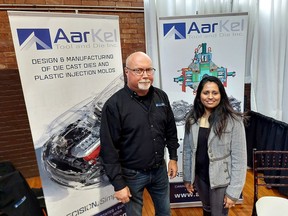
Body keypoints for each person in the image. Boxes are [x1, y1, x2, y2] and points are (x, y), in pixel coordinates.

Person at [99, 51, 179, 216]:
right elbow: (109, 148)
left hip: (159, 171)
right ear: (126, 72)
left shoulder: (161, 96)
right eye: (138, 70)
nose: (145, 76)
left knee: (165, 212)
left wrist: (173, 157)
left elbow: (170, 129)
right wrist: (119, 184)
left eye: (149, 70)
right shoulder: (114, 105)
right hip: (132, 175)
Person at [182, 76, 247, 216]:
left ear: (221, 95)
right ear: (199, 95)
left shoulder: (234, 121)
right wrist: (188, 177)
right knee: (207, 210)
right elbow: (188, 151)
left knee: (219, 213)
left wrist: (234, 191)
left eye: (215, 93)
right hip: (201, 177)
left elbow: (239, 159)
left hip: (221, 179)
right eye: (206, 93)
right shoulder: (192, 119)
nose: (210, 97)